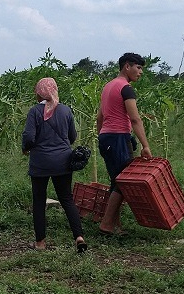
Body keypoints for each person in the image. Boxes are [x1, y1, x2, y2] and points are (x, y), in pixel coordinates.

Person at [22, 77, 87, 253]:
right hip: (63, 161)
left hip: (40, 163)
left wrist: (26, 148)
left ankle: (41, 243)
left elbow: (29, 137)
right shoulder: (65, 110)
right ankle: (79, 237)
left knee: (39, 201)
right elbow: (71, 136)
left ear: (40, 93)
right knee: (67, 199)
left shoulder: (35, 111)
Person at [96, 53, 153, 234]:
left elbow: (100, 117)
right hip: (118, 137)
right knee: (123, 182)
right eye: (138, 67)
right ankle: (106, 224)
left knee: (117, 180)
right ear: (127, 66)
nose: (140, 72)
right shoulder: (126, 89)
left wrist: (102, 137)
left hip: (107, 137)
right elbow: (135, 119)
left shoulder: (108, 86)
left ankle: (115, 224)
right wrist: (145, 145)